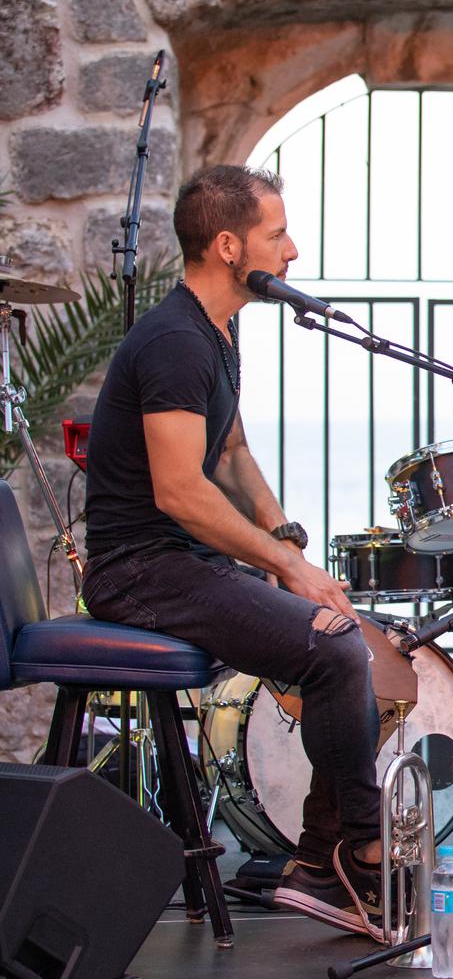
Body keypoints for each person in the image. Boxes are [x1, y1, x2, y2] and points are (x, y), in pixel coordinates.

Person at [82, 165, 390, 942]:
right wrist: (288, 570)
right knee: (335, 649)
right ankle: (353, 856)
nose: (292, 251)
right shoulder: (175, 341)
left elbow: (232, 451)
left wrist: (283, 539)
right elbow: (181, 493)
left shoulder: (218, 330)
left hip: (184, 564)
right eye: (276, 234)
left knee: (351, 640)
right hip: (140, 571)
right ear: (227, 246)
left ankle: (324, 862)